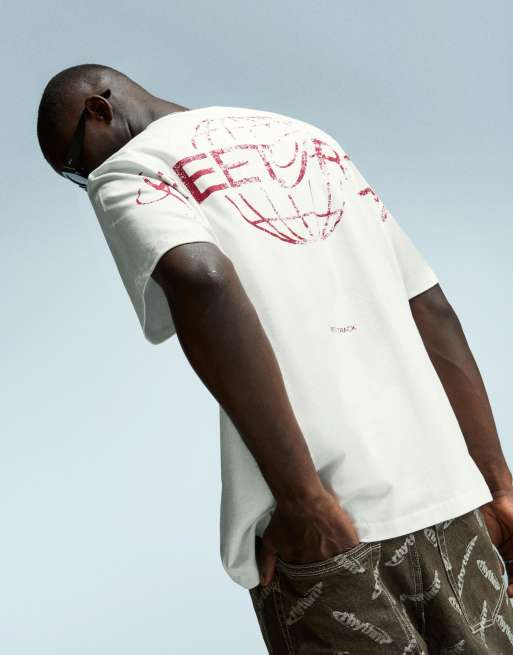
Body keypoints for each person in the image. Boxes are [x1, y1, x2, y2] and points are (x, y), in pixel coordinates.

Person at [37, 63, 513, 653]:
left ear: (99, 110)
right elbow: (429, 305)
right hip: (452, 503)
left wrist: (303, 500)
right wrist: (498, 484)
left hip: (331, 529)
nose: (86, 179)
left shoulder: (132, 169)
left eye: (73, 164)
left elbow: (203, 279)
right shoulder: (308, 140)